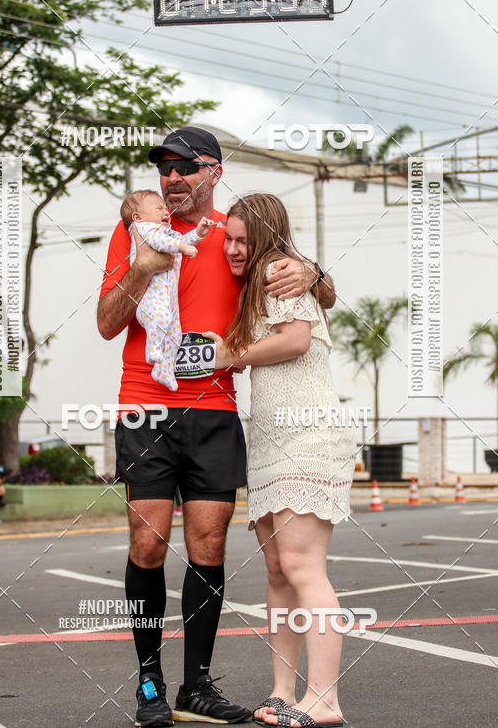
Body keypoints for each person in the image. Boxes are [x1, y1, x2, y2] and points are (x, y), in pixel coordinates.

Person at [97, 126, 336, 728]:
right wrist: (143, 267)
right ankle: (149, 683)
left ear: (213, 172)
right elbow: (106, 322)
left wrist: (314, 271)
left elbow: (317, 293)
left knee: (208, 544)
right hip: (145, 404)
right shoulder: (136, 230)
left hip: (215, 409)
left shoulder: (236, 235)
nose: (172, 177)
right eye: (164, 168)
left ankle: (196, 687)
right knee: (147, 543)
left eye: (185, 166)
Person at [205, 194, 357, 728]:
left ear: (267, 239)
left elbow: (294, 340)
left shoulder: (280, 271)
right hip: (271, 441)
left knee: (300, 566)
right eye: (229, 239)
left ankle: (325, 700)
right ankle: (283, 691)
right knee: (277, 571)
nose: (233, 249)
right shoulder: (263, 280)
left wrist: (230, 354)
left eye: (243, 240)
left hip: (308, 435)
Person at [120, 188, 215, 390]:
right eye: (159, 208)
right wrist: (183, 249)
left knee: (175, 335)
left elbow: (180, 240)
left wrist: (198, 233)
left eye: (165, 209)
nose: (166, 212)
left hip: (167, 298)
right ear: (137, 217)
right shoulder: (142, 230)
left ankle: (164, 370)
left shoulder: (167, 233)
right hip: (151, 301)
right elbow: (161, 243)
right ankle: (153, 348)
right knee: (161, 319)